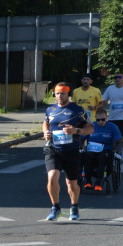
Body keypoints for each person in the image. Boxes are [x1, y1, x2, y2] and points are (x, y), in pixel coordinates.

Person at [42, 83, 93, 221]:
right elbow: (46, 122)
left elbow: (90, 128)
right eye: (57, 93)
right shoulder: (50, 109)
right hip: (53, 149)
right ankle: (55, 207)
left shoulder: (77, 110)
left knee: (72, 183)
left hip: (72, 151)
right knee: (52, 177)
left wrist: (76, 131)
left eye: (63, 93)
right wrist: (46, 132)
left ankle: (74, 206)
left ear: (68, 94)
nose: (60, 96)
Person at [81, 108, 123, 193]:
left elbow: (119, 141)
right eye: (98, 120)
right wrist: (79, 148)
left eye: (103, 119)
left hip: (106, 150)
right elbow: (81, 139)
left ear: (107, 118)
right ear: (95, 118)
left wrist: (118, 152)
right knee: (87, 156)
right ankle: (88, 181)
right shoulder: (91, 126)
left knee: (103, 157)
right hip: (91, 150)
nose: (100, 122)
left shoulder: (113, 127)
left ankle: (99, 181)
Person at [100, 72, 123, 160]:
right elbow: (104, 101)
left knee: (121, 139)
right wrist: (97, 107)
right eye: (115, 77)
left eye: (119, 77)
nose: (117, 79)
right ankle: (114, 157)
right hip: (112, 118)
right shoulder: (110, 89)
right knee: (113, 140)